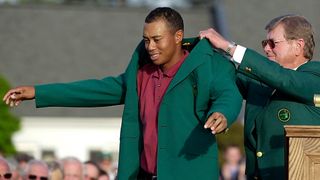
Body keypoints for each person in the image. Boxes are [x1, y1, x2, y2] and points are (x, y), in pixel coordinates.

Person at [3, 7, 242, 179]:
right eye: (146, 40)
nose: (150, 47)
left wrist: (222, 113)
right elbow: (93, 90)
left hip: (191, 174)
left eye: (157, 39)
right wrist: (37, 92)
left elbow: (228, 94)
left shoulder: (207, 64)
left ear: (178, 36)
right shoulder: (141, 74)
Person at [199, 14, 320, 179]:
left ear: (298, 45)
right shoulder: (260, 81)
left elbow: (284, 79)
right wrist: (199, 51)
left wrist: (229, 47)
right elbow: (224, 79)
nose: (266, 49)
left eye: (273, 43)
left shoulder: (315, 76)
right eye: (265, 43)